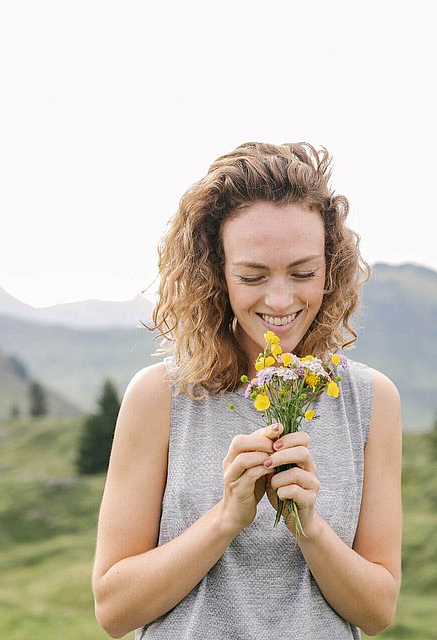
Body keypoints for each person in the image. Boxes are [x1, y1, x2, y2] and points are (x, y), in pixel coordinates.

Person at [91, 142, 402, 639]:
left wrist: (310, 528)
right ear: (215, 273)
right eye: (252, 276)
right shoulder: (159, 398)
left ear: (332, 267)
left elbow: (378, 611)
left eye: (304, 273)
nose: (280, 300)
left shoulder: (370, 401)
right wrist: (226, 518)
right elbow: (113, 610)